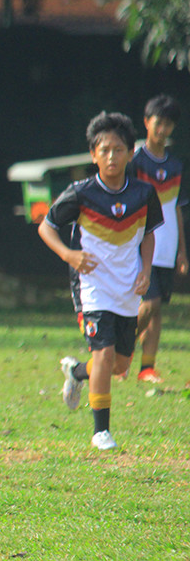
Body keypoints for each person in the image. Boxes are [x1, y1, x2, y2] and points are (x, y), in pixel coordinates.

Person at [39, 111, 163, 451]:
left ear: (130, 152)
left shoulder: (143, 193)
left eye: (118, 149)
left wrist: (146, 269)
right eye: (104, 150)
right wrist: (69, 255)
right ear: (94, 154)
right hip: (91, 285)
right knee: (105, 354)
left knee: (120, 363)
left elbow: (150, 233)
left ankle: (78, 372)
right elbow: (46, 227)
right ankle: (101, 432)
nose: (111, 156)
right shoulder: (80, 193)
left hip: (127, 287)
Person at [130, 94, 189, 383]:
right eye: (158, 123)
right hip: (142, 243)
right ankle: (120, 349)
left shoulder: (176, 165)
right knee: (149, 304)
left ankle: (146, 368)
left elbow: (176, 206)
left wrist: (182, 252)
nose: (163, 129)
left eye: (168, 124)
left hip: (167, 246)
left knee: (157, 309)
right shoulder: (135, 161)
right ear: (146, 122)